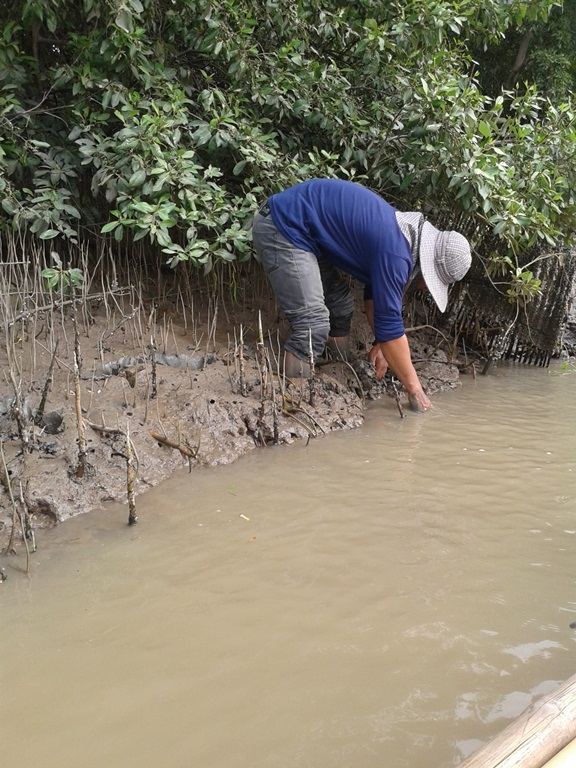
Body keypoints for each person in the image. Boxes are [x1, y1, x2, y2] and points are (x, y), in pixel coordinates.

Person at [251, 178, 471, 412]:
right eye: (432, 282)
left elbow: (376, 301)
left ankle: (339, 371)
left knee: (341, 305)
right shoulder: (396, 253)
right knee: (312, 324)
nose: (426, 288)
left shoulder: (401, 239)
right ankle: (296, 402)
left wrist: (382, 343)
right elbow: (390, 328)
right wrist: (415, 390)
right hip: (283, 226)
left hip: (306, 235)